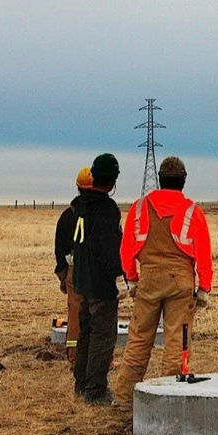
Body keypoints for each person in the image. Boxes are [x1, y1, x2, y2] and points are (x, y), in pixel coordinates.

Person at [114, 156, 213, 409]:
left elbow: (126, 250)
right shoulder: (192, 211)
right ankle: (169, 402)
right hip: (181, 283)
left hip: (147, 280)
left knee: (138, 341)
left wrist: (133, 280)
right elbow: (203, 252)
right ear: (183, 181)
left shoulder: (138, 208)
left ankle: (124, 399)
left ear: (160, 179)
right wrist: (204, 288)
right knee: (176, 344)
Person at [71, 153, 125, 404]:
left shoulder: (81, 205)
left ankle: (81, 384)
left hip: (83, 281)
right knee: (103, 337)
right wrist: (118, 276)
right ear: (113, 181)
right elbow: (108, 247)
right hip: (101, 285)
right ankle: (95, 391)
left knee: (86, 334)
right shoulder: (106, 209)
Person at [54, 167, 94, 365]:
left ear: (78, 187)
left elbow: (59, 247)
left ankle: (74, 355)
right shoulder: (103, 214)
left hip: (73, 270)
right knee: (98, 313)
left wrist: (63, 274)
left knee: (75, 313)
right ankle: (97, 357)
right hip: (96, 272)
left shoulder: (67, 216)